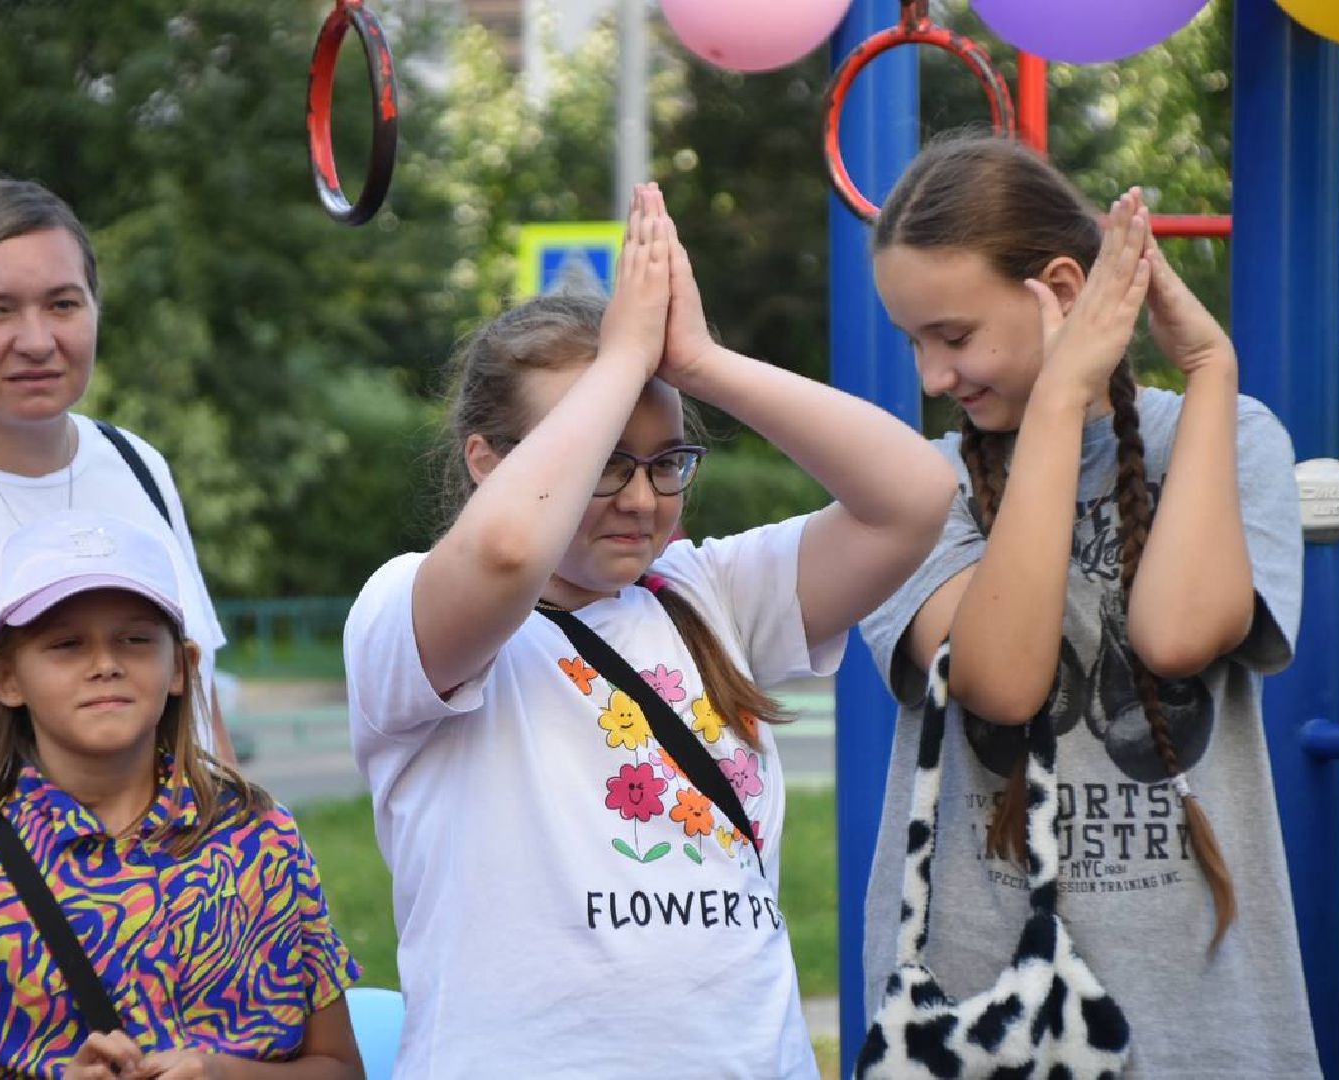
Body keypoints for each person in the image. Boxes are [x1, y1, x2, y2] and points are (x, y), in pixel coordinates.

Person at [344, 184, 957, 1077]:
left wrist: (699, 361)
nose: (641, 499)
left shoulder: (705, 589)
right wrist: (622, 356)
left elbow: (914, 496)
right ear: (488, 462)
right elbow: (512, 548)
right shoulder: (406, 610)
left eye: (665, 462)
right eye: (602, 462)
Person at [859, 133, 1318, 1076]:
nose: (931, 378)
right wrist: (1060, 405)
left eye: (951, 336)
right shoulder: (910, 487)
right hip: (983, 1021)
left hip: (1205, 1014)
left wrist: (1212, 369)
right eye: (914, 341)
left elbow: (1177, 635)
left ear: (1061, 292)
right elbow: (1005, 683)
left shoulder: (1226, 433)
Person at [0, 511, 362, 1079]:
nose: (105, 665)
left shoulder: (262, 839)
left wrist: (222, 1074)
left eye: (135, 640)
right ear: (6, 679)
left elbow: (342, 1068)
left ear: (182, 666)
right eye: (67, 644)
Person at [0, 178, 235, 761]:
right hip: (7, 850)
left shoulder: (137, 464)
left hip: (181, 849)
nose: (37, 342)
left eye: (63, 304)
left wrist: (246, 842)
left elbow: (201, 709)